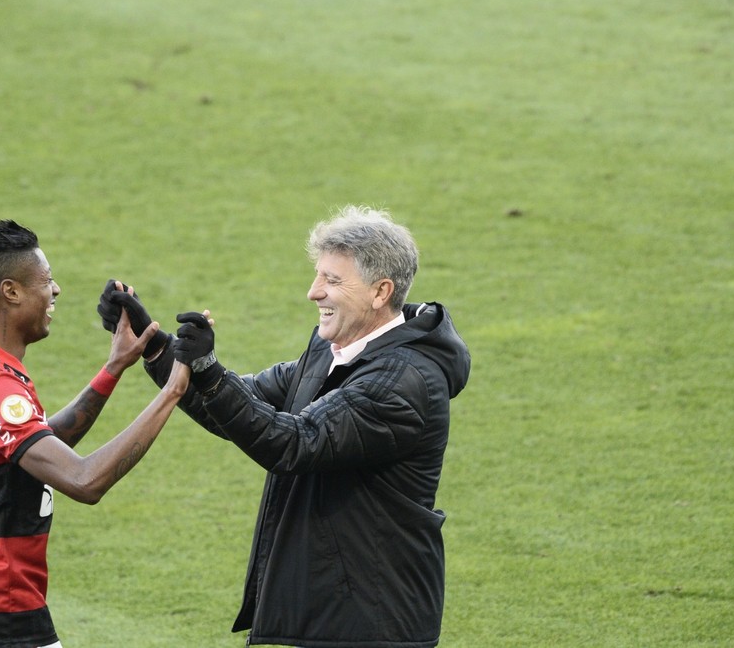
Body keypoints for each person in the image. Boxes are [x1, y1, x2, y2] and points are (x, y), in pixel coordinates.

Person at [101, 205, 471, 647]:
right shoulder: (330, 349)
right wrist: (156, 344)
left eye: (333, 281)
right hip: (332, 610)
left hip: (373, 622)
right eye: (319, 276)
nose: (314, 293)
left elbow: (295, 444)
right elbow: (243, 404)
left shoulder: (402, 382)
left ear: (380, 292)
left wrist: (209, 371)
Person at [0, 219, 190, 648]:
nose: (55, 290)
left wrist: (112, 369)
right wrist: (173, 390)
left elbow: (32, 447)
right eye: (47, 280)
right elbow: (83, 480)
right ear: (11, 291)